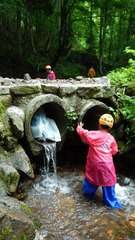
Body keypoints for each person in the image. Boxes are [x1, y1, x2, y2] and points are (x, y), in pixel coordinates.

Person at [76, 114, 122, 209]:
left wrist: (79, 128)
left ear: (99, 125)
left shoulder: (93, 134)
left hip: (94, 163)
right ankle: (112, 203)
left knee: (91, 178)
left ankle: (89, 195)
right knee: (108, 182)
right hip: (107, 165)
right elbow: (114, 151)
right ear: (110, 127)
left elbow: (84, 133)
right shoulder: (111, 138)